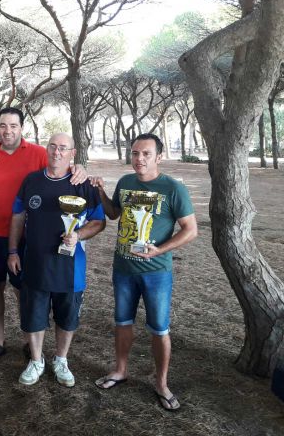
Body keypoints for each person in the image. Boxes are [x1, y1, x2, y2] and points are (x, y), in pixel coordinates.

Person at [91, 133, 197, 411]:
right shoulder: (126, 182)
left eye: (146, 154)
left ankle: (161, 383)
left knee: (160, 328)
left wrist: (159, 250)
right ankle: (120, 370)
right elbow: (114, 214)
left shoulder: (173, 188)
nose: (139, 159)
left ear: (159, 157)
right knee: (122, 322)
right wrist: (101, 191)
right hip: (123, 268)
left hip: (156, 272)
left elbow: (191, 230)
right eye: (135, 153)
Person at [0, 107, 87, 364]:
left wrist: (80, 167)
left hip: (25, 237)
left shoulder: (37, 153)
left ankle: (29, 343)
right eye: (3, 125)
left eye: (13, 125)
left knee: (24, 289)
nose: (8, 130)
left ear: (21, 128)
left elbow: (62, 167)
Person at [8, 133, 105, 386]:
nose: (57, 152)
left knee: (67, 317)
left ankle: (61, 359)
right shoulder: (31, 181)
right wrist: (13, 251)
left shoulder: (83, 184)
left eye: (63, 148)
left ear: (73, 153)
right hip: (35, 263)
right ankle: (37, 360)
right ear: (46, 149)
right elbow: (17, 217)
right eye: (53, 146)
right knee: (33, 316)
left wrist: (79, 234)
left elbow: (99, 222)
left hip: (71, 267)